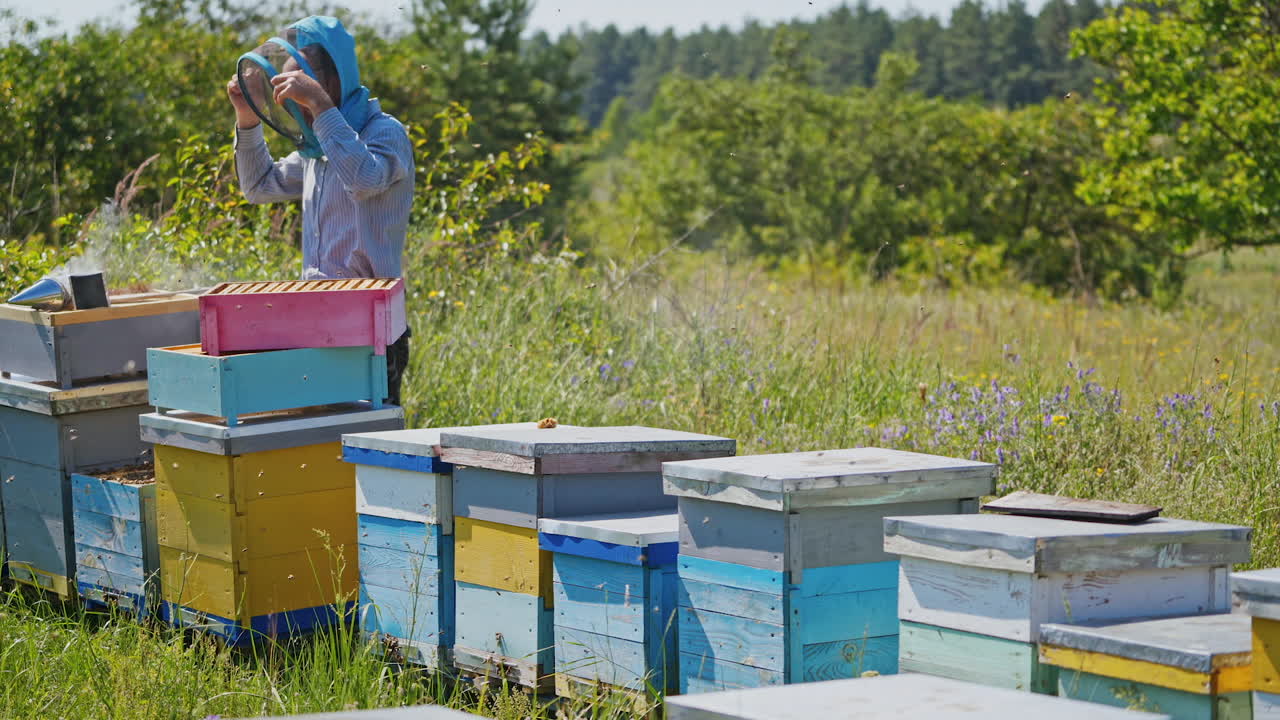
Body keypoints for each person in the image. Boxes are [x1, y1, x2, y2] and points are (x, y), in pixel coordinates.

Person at [226, 16, 414, 405]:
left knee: (366, 437)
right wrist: (247, 119)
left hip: (372, 325)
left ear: (332, 81)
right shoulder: (316, 149)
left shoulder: (385, 133)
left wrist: (321, 106)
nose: (297, 106)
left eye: (301, 91)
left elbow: (363, 180)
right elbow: (259, 187)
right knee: (321, 437)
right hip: (316, 316)